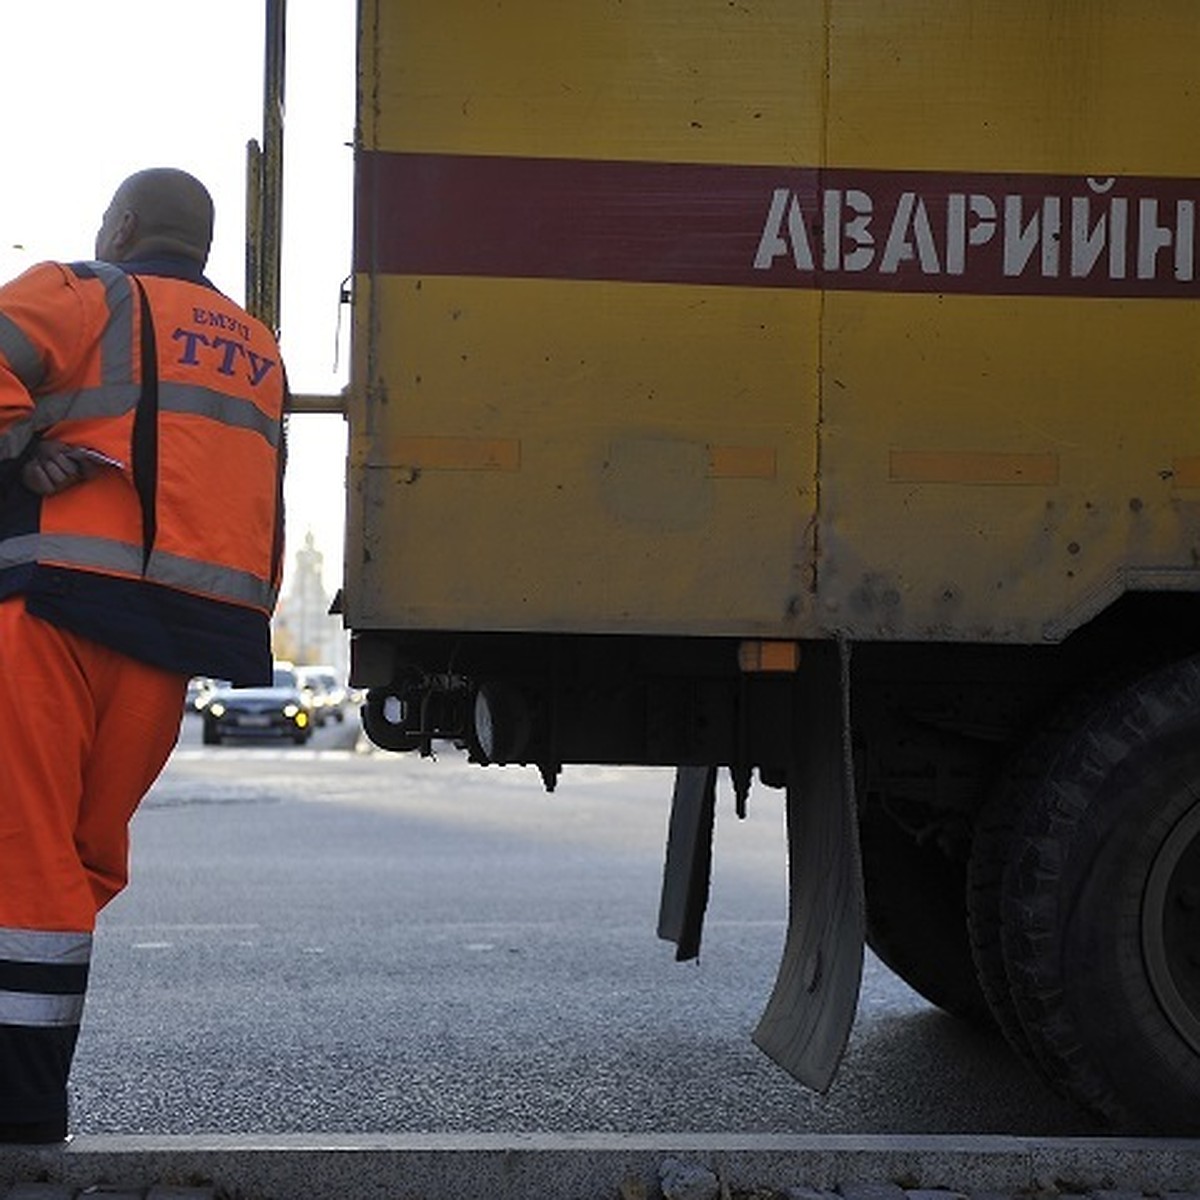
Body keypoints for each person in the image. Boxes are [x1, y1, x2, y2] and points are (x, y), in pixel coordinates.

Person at [0, 168, 287, 1142]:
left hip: (53, 619)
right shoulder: (256, 349)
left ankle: (22, 1114)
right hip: (169, 642)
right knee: (77, 863)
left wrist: (16, 442)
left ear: (120, 224)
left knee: (27, 863)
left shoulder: (87, 294)